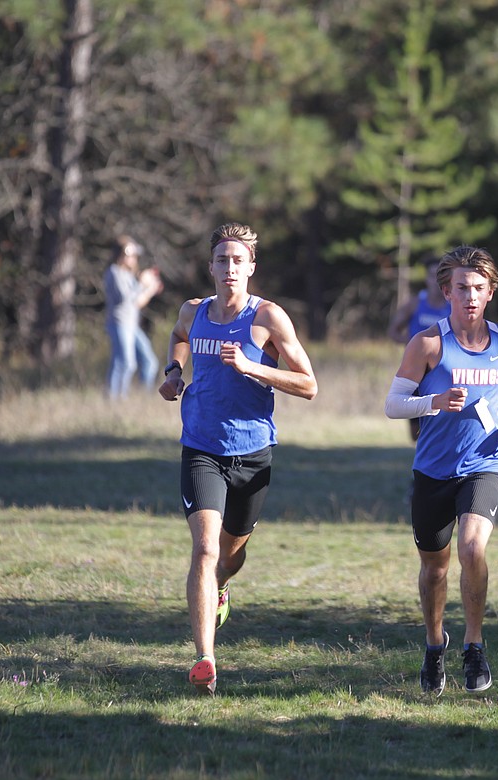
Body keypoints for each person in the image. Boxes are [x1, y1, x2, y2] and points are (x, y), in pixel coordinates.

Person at [158, 223, 318, 695]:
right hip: (201, 447)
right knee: (205, 550)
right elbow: (177, 335)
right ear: (210, 267)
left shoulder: (267, 317)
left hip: (252, 452)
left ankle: (223, 586)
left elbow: (309, 384)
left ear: (251, 267)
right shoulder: (194, 311)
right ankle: (204, 659)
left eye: (238, 261)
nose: (229, 268)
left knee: (229, 555)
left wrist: (253, 367)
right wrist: (173, 371)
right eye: (222, 260)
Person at [384, 245, 498, 695]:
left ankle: (474, 646)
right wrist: (432, 402)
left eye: (477, 288)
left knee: (473, 549)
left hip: (484, 464)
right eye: (461, 289)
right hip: (433, 471)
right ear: (446, 292)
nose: (469, 296)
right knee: (435, 569)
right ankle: (436, 644)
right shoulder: (428, 343)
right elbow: (393, 405)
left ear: (490, 292)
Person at [387, 256, 451, 441]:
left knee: (441, 420)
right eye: (432, 275)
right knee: (416, 432)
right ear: (426, 278)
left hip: (442, 370)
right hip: (417, 371)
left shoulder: (453, 305)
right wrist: (413, 346)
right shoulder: (415, 303)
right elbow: (393, 330)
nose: (435, 280)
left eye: (440, 276)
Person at [105, 236, 164, 398]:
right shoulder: (114, 272)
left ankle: (142, 398)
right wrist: (142, 283)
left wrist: (150, 288)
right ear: (120, 254)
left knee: (149, 361)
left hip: (131, 325)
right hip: (119, 323)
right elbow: (126, 298)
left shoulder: (128, 275)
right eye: (129, 254)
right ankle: (114, 399)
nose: (133, 258)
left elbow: (138, 302)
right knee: (125, 363)